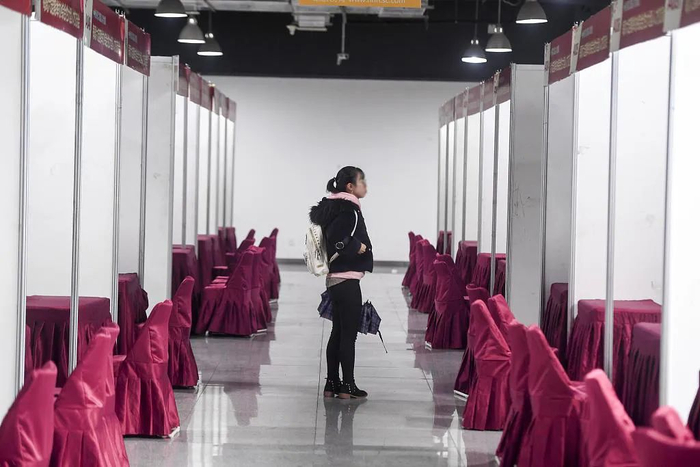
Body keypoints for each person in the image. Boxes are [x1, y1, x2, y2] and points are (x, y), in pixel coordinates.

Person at [309, 166, 373, 399]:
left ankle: (332, 383)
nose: (366, 186)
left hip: (336, 278)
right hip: (347, 278)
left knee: (338, 332)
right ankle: (348, 386)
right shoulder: (349, 211)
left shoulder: (334, 208)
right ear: (350, 187)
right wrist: (359, 246)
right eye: (362, 181)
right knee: (348, 335)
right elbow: (337, 237)